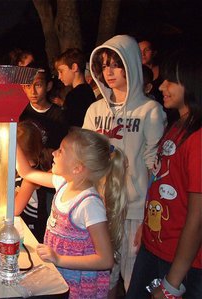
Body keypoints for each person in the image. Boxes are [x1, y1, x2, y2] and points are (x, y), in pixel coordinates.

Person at [83, 34, 167, 296]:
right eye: (104, 65)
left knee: (134, 282)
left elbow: (156, 167)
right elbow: (85, 158)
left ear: (129, 64)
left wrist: (147, 218)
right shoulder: (95, 110)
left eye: (115, 64)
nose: (108, 72)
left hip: (134, 210)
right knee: (100, 281)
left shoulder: (150, 111)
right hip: (99, 209)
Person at [16, 127, 128, 298]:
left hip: (79, 286)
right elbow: (26, 172)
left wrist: (59, 259)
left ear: (77, 168)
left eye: (61, 151)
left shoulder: (89, 204)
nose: (53, 153)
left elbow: (105, 259)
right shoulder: (62, 183)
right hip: (60, 275)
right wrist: (10, 134)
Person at [127, 48, 202, 299]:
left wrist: (171, 284)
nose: (162, 86)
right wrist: (147, 226)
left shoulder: (198, 137)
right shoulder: (178, 125)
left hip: (183, 263)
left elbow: (198, 215)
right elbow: (162, 178)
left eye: (171, 80)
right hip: (154, 247)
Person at [14, 120, 53, 242]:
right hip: (20, 227)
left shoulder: (31, 177)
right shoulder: (17, 171)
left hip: (32, 232)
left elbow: (15, 209)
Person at [19, 67, 68, 151]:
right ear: (23, 88)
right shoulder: (21, 113)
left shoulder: (59, 115)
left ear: (48, 86)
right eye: (28, 86)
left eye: (38, 85)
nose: (33, 91)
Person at [55, 48, 96, 128]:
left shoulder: (73, 96)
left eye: (61, 71)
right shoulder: (88, 90)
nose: (59, 77)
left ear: (74, 67)